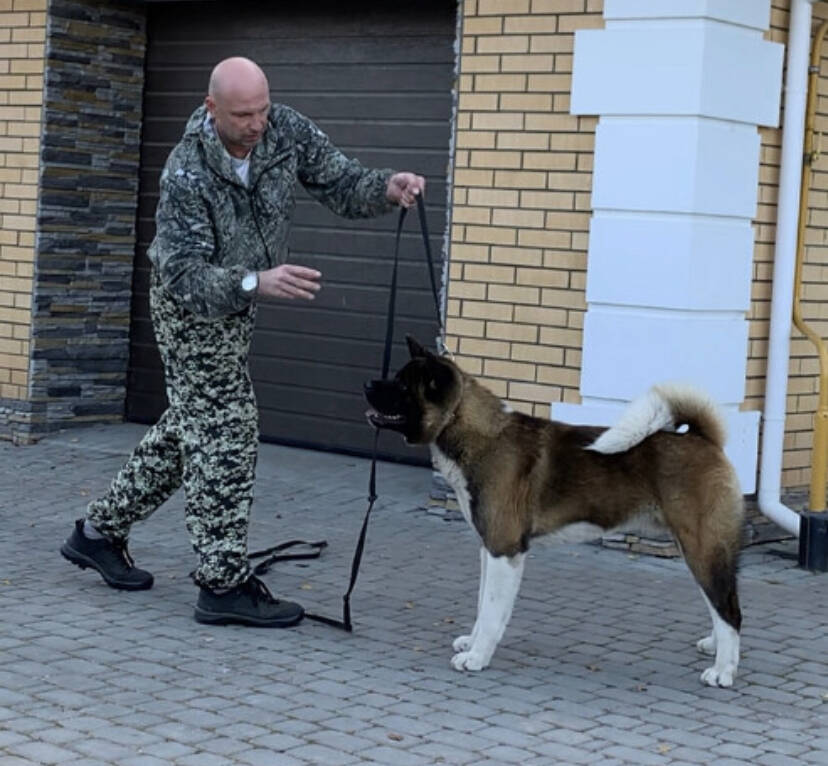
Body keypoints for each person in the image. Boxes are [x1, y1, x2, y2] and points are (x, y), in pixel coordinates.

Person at [60, 57, 425, 628]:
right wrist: (256, 281)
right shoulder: (186, 172)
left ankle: (97, 533)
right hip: (191, 308)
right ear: (212, 110)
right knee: (226, 428)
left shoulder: (285, 130)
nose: (257, 124)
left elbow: (338, 178)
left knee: (191, 428)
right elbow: (183, 275)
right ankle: (222, 583)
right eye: (243, 115)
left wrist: (386, 187)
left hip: (241, 302)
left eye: (262, 109)